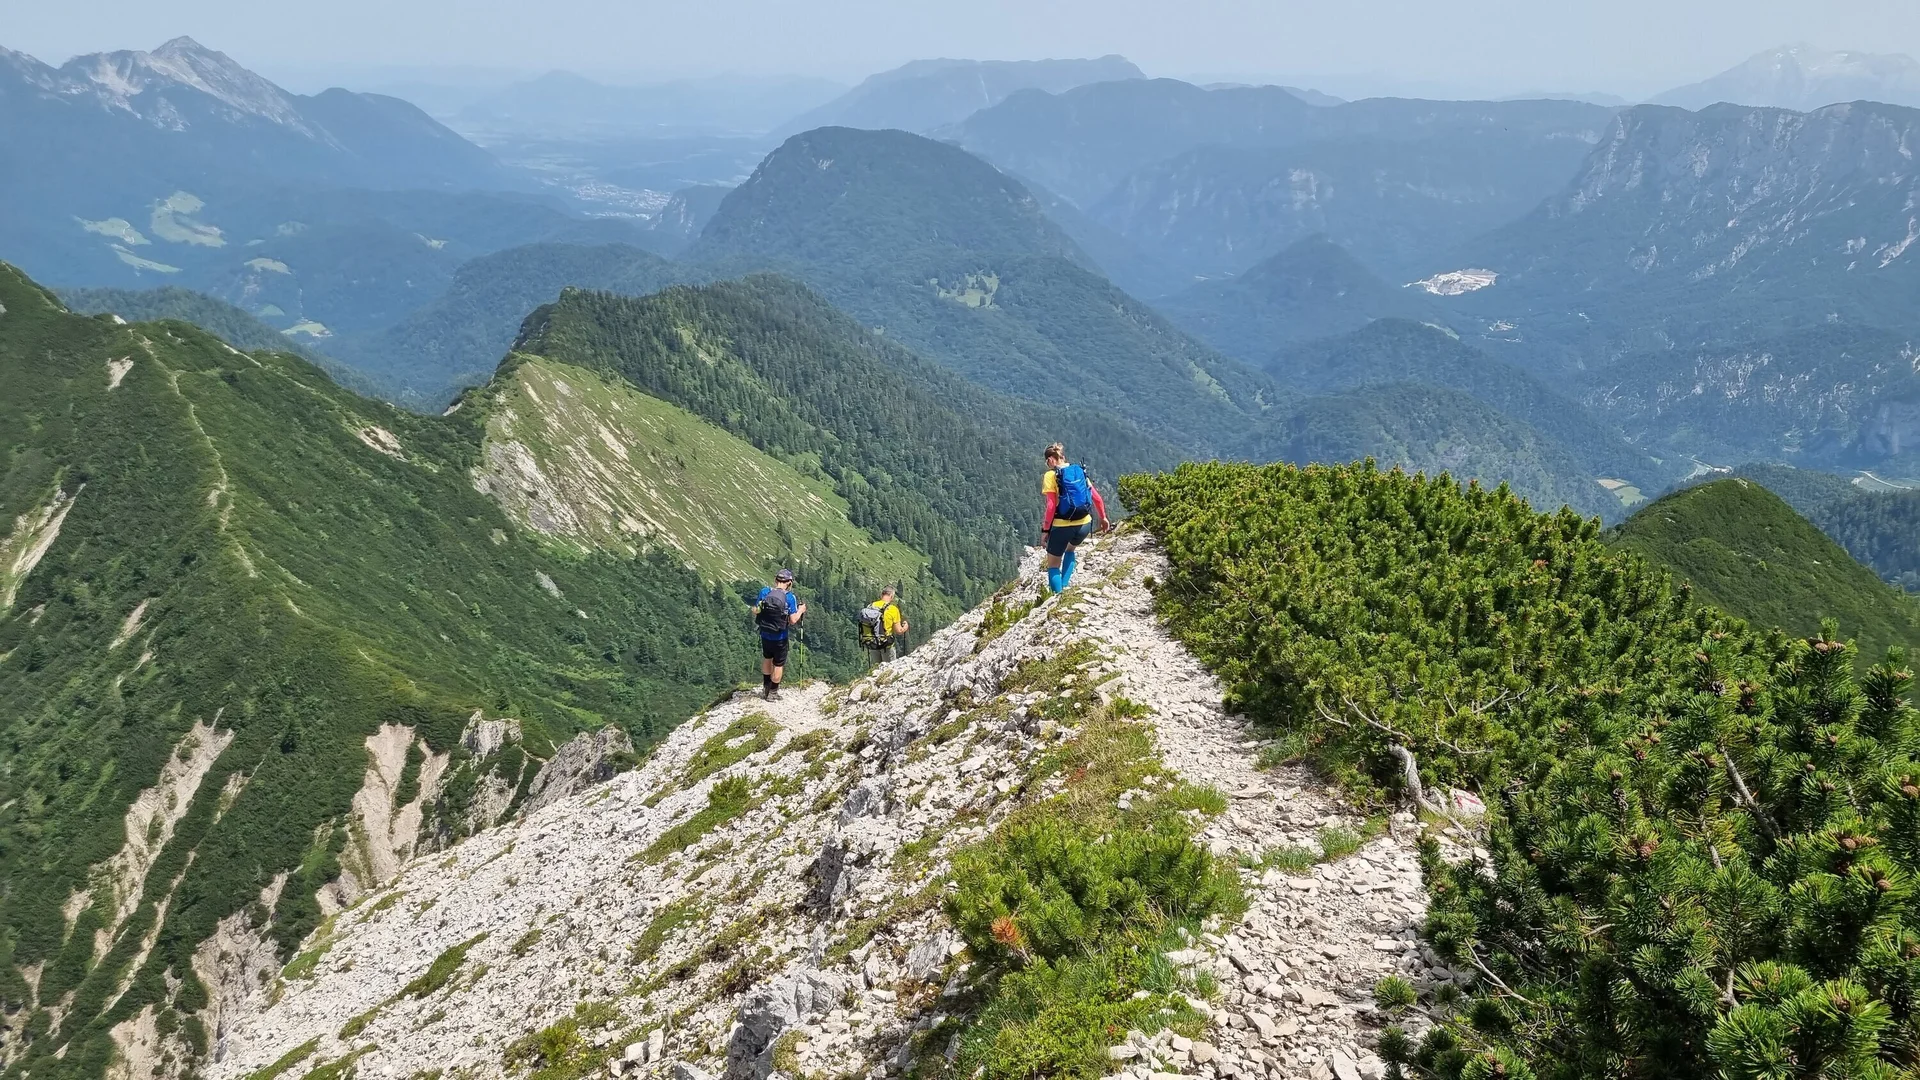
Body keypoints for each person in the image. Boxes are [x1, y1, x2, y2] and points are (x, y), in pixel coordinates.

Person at [1039, 442, 1110, 593]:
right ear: (1063, 457)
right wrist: (1103, 518)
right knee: (1070, 550)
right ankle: (1065, 588)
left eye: (1047, 462)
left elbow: (1051, 506)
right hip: (1084, 524)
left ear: (1050, 460)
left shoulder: (1051, 475)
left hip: (1062, 526)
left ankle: (1058, 597)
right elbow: (1097, 498)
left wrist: (1045, 530)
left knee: (1053, 565)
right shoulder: (1079, 471)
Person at [751, 568, 805, 700]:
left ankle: (766, 687)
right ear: (789, 583)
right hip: (780, 636)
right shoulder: (789, 597)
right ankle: (773, 693)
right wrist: (801, 610)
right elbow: (792, 620)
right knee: (778, 664)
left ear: (776, 580)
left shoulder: (765, 592)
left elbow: (756, 610)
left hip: (765, 633)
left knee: (767, 658)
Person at [858, 585, 910, 665]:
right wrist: (905, 626)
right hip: (886, 644)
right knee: (889, 668)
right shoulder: (893, 609)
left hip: (872, 643)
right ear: (891, 596)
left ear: (881, 595)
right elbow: (899, 631)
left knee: (876, 668)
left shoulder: (871, 606)